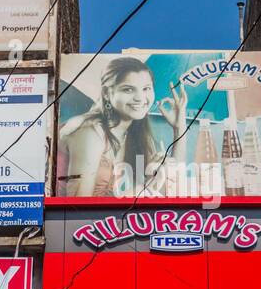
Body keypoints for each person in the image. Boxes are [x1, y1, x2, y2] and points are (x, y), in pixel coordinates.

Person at [58, 57, 189, 196]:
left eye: (146, 89)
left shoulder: (138, 136)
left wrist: (179, 128)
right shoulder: (90, 134)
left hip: (114, 217)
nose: (140, 98)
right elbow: (78, 206)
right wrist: (147, 186)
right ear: (106, 93)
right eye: (128, 90)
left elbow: (172, 189)